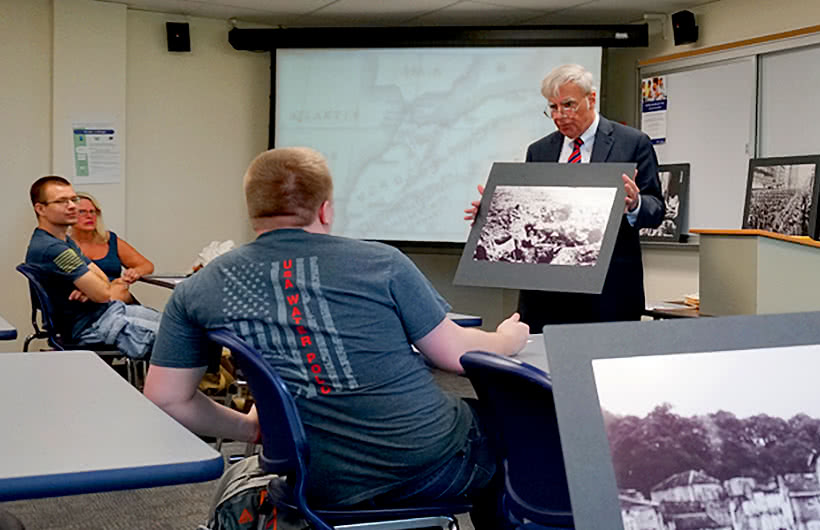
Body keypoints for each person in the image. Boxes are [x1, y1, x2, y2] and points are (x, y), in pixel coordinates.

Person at [143, 147, 529, 528]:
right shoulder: (382, 263)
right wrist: (506, 338)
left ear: (253, 210)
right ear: (325, 209)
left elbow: (166, 398)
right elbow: (454, 354)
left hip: (314, 478)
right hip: (427, 465)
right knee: (519, 431)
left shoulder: (199, 289)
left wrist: (250, 429)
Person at [465, 63, 663, 332]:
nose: (560, 115)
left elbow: (656, 208)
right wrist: (495, 214)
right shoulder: (539, 151)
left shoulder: (632, 143)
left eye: (568, 105)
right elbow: (529, 215)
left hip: (608, 292)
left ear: (591, 99)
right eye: (553, 107)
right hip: (545, 294)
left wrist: (635, 204)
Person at [25, 176, 161, 358]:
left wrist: (91, 289)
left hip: (107, 312)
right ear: (40, 209)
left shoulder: (64, 240)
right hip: (92, 326)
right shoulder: (53, 249)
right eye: (62, 201)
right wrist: (94, 290)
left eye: (74, 199)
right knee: (181, 338)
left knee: (179, 324)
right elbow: (103, 293)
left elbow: (103, 280)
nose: (72, 206)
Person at [70, 192, 155, 303]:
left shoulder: (109, 239)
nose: (89, 216)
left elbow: (147, 266)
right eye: (82, 212)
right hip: (85, 305)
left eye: (92, 211)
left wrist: (135, 272)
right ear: (69, 215)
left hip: (121, 301)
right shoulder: (62, 245)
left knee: (120, 288)